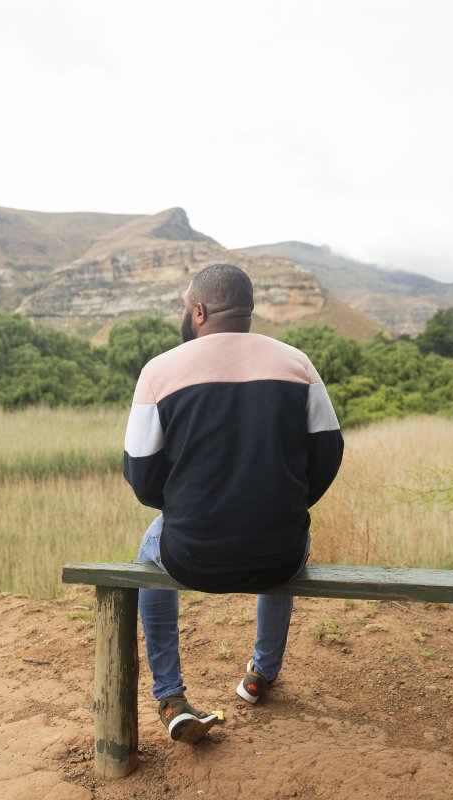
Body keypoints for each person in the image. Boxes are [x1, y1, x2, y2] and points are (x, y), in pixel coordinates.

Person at [122, 263, 344, 744]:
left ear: (198, 311)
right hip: (280, 555)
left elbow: (141, 478)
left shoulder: (159, 372)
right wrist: (285, 501)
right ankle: (261, 675)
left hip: (191, 556)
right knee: (290, 530)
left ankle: (170, 696)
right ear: (247, 310)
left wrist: (182, 508)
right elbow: (329, 454)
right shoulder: (297, 364)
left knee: (148, 550)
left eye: (186, 307)